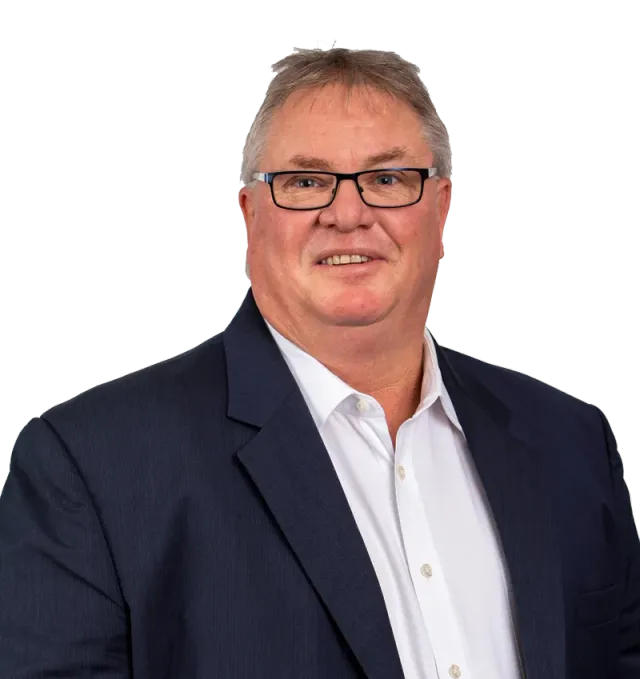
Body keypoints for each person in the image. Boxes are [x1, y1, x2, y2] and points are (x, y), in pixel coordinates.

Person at [1, 47, 638, 679]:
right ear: (251, 214)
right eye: (306, 183)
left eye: (388, 179)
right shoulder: (91, 466)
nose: (349, 214)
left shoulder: (571, 443)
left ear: (441, 206)